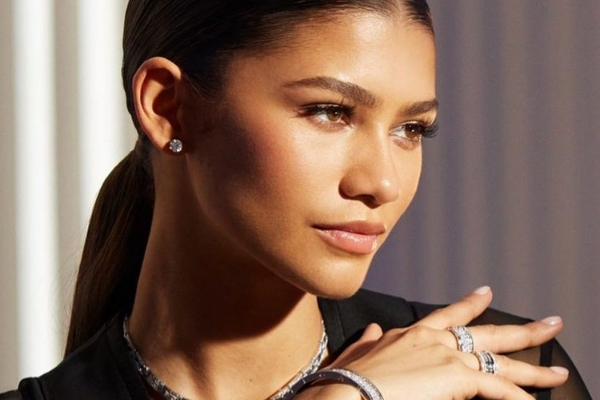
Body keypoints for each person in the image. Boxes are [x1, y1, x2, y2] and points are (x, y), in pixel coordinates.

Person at [1, 0, 592, 399]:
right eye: (330, 112)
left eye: (412, 129)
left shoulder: (500, 380)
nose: (382, 183)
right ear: (168, 107)